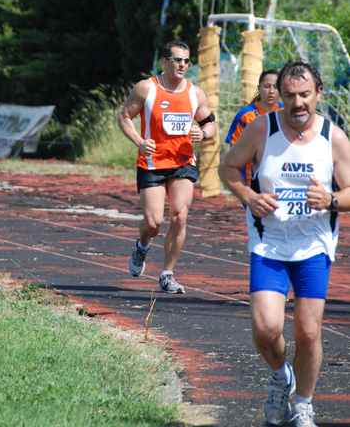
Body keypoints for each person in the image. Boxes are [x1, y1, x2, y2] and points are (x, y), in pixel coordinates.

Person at [218, 59, 350, 427]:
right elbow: (227, 168)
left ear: (318, 94)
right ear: (281, 96)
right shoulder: (262, 129)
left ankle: (304, 406)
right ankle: (281, 377)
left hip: (313, 246)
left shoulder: (333, 138)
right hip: (269, 244)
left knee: (308, 332)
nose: (297, 104)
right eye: (290, 95)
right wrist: (247, 195)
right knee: (265, 329)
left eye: (305, 95)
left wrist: (332, 201)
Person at [118, 40, 216, 294]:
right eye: (177, 60)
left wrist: (203, 134)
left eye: (186, 60)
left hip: (182, 163)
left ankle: (167, 275)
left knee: (179, 217)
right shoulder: (146, 88)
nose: (182, 64)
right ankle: (141, 246)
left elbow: (210, 125)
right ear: (165, 62)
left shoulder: (195, 93)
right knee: (153, 223)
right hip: (152, 163)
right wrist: (139, 142)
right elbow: (124, 117)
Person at [226, 69, 283, 183]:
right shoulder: (245, 115)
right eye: (267, 86)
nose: (271, 91)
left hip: (281, 179)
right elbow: (234, 150)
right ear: (259, 88)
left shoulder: (286, 112)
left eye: (276, 87)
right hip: (250, 181)